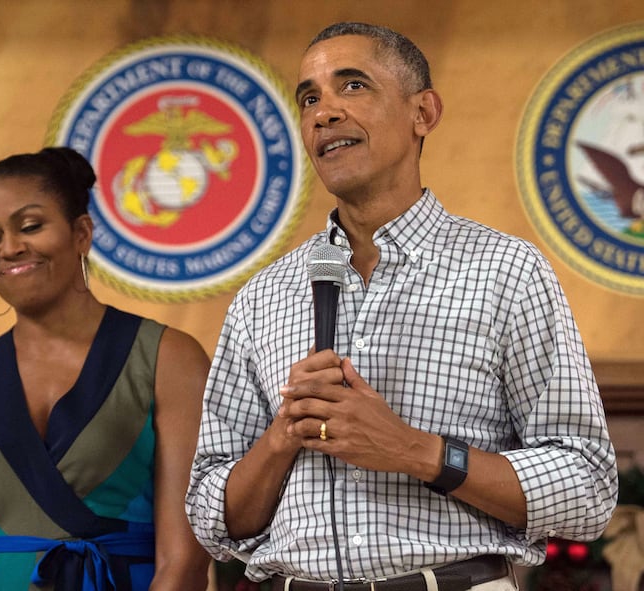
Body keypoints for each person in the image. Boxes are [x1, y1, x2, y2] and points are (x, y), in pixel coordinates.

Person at [186, 22, 618, 591]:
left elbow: (587, 489)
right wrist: (282, 436)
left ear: (424, 113)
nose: (324, 112)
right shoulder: (262, 296)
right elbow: (213, 519)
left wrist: (416, 451)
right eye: (310, 98)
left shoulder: (506, 271)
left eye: (353, 86)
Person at [0, 147, 211, 590]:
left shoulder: (170, 359)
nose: (9, 248)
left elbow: (184, 566)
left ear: (81, 233)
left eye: (30, 226)